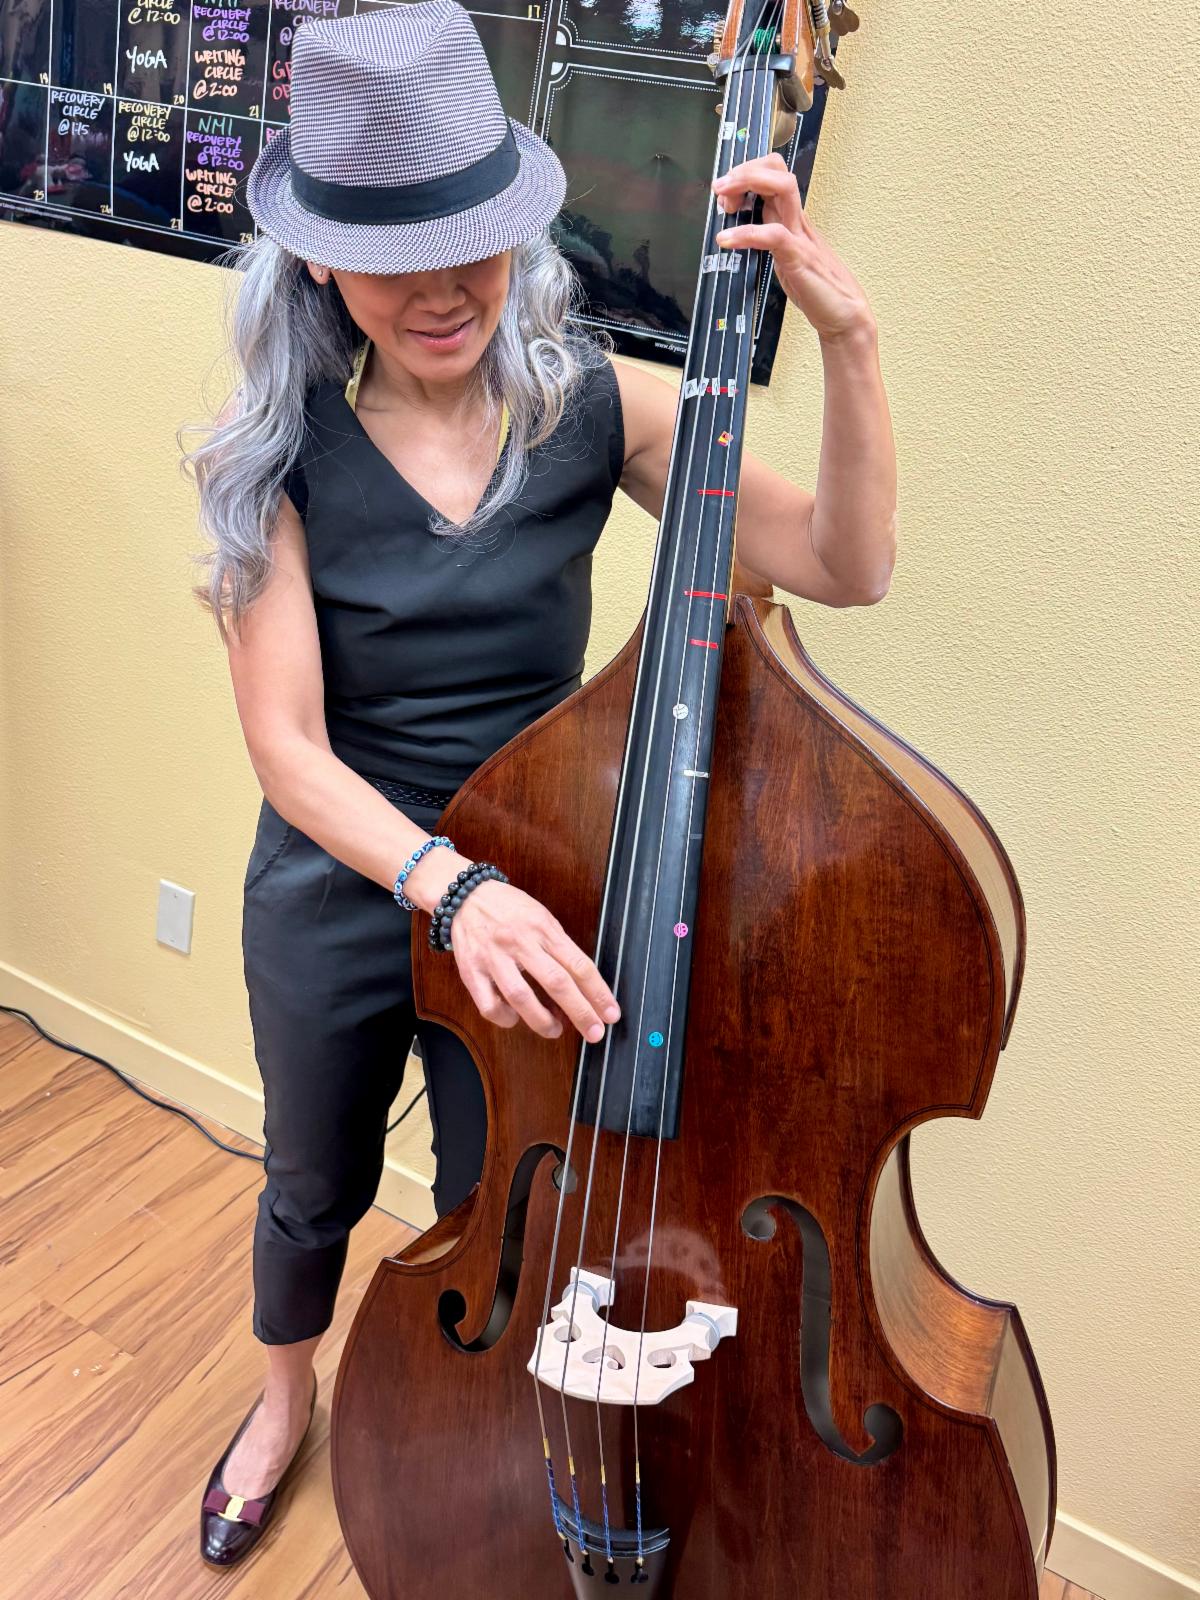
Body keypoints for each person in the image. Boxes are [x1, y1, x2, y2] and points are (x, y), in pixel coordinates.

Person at [180, 0, 897, 1569]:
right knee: (313, 1172)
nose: (445, 291)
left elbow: (849, 565)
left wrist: (846, 344)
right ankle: (283, 1395)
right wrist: (452, 886)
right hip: (346, 885)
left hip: (537, 890)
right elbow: (289, 750)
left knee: (495, 1202)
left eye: (476, 243)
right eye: (395, 251)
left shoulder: (591, 408)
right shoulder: (268, 455)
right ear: (316, 257)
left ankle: (484, 1419)